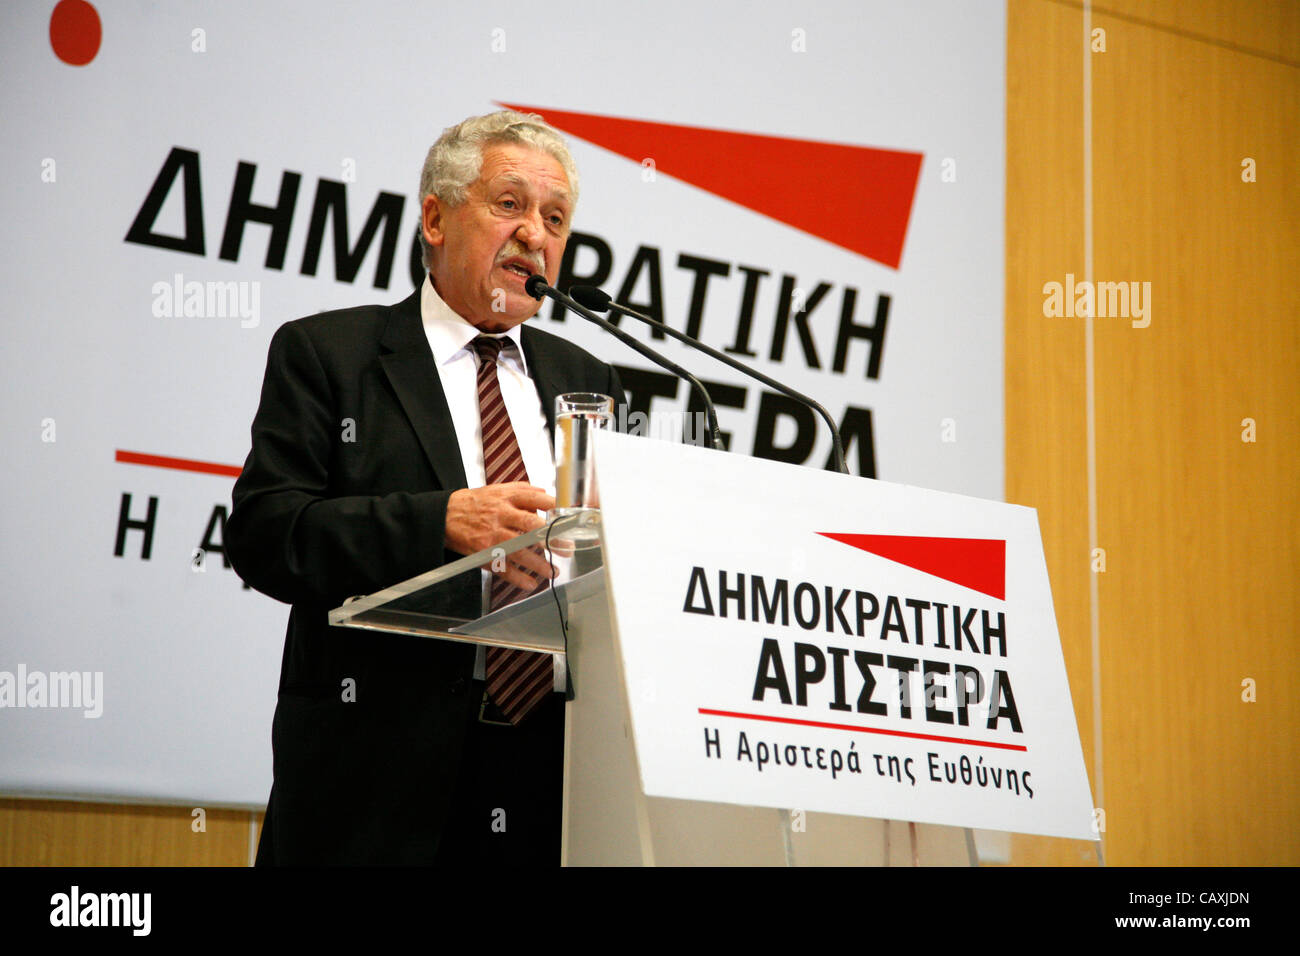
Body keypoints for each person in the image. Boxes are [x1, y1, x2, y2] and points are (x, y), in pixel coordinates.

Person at [226, 110, 625, 865]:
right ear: (436, 220)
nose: (535, 234)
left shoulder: (587, 382)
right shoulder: (331, 355)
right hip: (376, 779)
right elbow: (266, 534)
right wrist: (439, 521)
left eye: (555, 217)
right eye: (509, 205)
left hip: (550, 776)